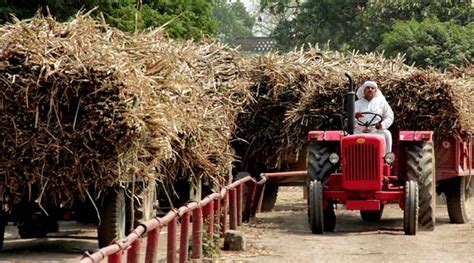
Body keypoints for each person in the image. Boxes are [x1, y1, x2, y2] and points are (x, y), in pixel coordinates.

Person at [354, 81, 394, 153]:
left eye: (372, 88)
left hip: (376, 130)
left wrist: (381, 125)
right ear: (363, 90)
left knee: (387, 134)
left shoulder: (382, 103)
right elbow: (351, 120)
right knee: (350, 137)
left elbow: (389, 116)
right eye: (368, 88)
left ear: (375, 91)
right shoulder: (356, 104)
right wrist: (355, 117)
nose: (370, 89)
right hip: (359, 130)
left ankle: (387, 159)